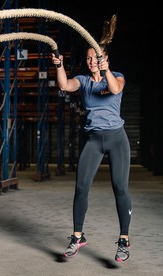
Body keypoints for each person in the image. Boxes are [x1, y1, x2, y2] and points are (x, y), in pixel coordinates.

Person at [51, 15, 132, 262]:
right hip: (94, 140)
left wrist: (106, 70)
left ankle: (124, 241)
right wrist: (59, 65)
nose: (90, 62)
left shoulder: (117, 76)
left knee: (119, 187)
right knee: (81, 187)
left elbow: (116, 89)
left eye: (95, 58)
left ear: (104, 59)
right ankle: (77, 237)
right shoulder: (84, 82)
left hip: (117, 139)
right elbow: (64, 85)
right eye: (88, 59)